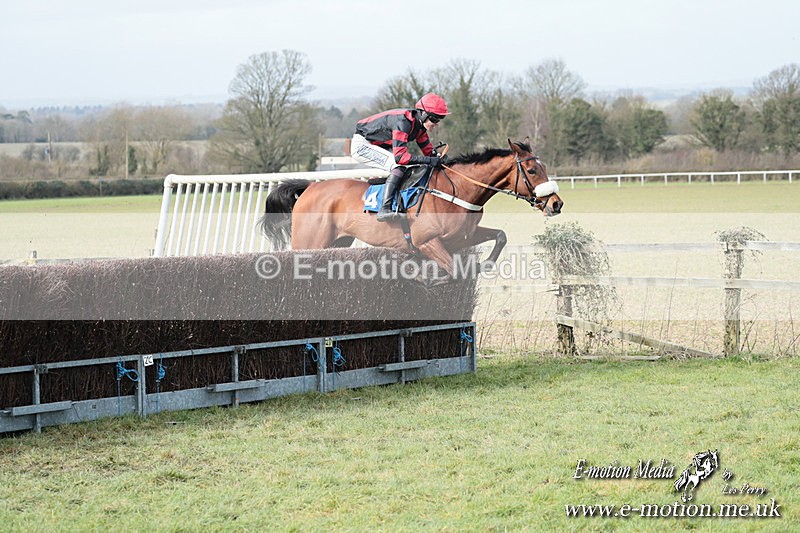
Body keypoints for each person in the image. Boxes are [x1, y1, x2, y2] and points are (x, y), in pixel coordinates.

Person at [350, 92, 450, 221]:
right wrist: (430, 160)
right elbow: (400, 158)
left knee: (410, 167)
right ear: (423, 114)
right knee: (398, 166)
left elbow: (429, 152)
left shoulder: (420, 127)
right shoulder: (403, 122)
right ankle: (385, 209)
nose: (436, 124)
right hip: (362, 145)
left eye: (439, 120)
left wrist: (443, 160)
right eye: (434, 119)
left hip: (379, 145)